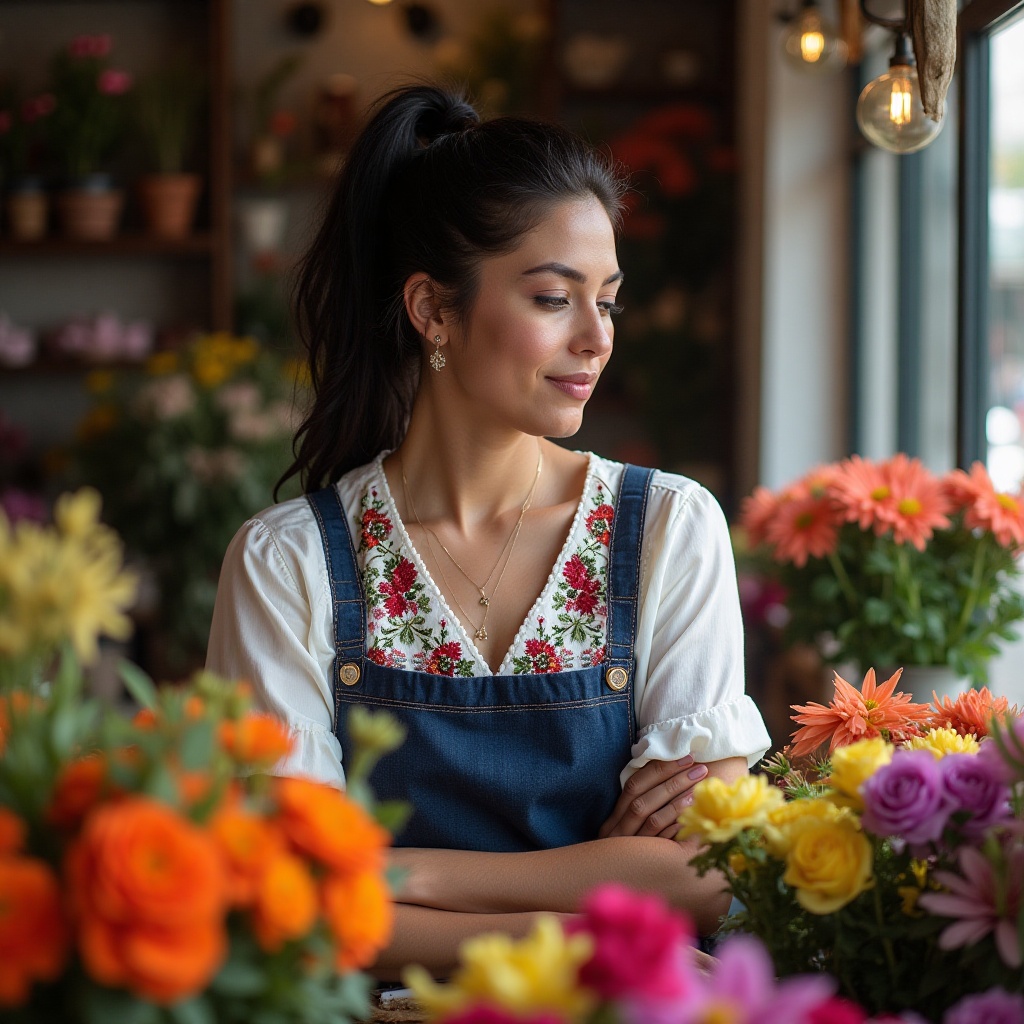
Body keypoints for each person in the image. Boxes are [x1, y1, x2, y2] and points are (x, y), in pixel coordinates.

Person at [206, 84, 771, 978]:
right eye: (555, 298)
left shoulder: (669, 528)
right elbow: (286, 904)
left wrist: (403, 874)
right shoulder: (291, 560)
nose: (596, 339)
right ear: (433, 309)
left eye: (609, 301)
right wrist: (586, 920)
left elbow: (706, 874)